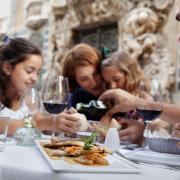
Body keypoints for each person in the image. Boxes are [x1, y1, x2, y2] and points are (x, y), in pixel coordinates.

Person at [0, 37, 81, 135]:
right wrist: (48, 122)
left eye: (37, 73)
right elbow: (3, 126)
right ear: (7, 68)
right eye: (29, 71)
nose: (35, 78)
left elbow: (39, 121)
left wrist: (62, 121)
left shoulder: (27, 98)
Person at [100, 51, 169, 144]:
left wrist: (142, 127)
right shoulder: (111, 100)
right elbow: (103, 126)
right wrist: (102, 128)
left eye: (116, 79)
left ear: (130, 74)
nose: (112, 86)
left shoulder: (144, 96)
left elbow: (163, 124)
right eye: (108, 82)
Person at [62, 43, 105, 120]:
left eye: (96, 73)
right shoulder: (77, 96)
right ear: (75, 81)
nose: (94, 82)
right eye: (84, 79)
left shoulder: (118, 88)